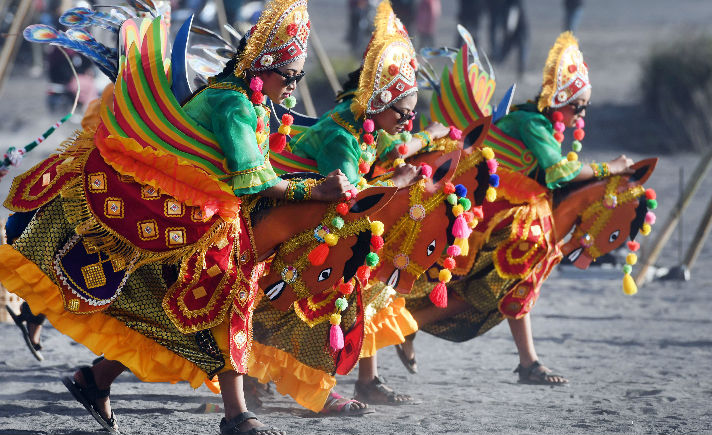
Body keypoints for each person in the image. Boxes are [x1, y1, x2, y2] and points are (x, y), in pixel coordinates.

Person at [0, 1, 355, 434]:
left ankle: (95, 379)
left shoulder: (254, 102)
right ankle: (236, 415)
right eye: (292, 75)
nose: (295, 87)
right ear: (263, 67)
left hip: (208, 222)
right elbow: (251, 178)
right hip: (181, 222)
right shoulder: (234, 104)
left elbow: (259, 170)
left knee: (177, 316)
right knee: (224, 307)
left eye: (300, 76)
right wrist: (312, 189)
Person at [248, 0, 453, 413]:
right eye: (405, 114)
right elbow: (350, 197)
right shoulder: (344, 132)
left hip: (317, 222)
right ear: (379, 102)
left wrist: (429, 138)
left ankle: (365, 379)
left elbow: (395, 147)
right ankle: (311, 389)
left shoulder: (367, 124)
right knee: (341, 284)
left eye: (412, 116)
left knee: (367, 277)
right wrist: (394, 181)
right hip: (292, 226)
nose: (408, 123)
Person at [397, 31, 635, 385]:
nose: (580, 116)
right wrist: (609, 169)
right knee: (491, 289)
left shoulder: (542, 126)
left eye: (584, 108)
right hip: (490, 218)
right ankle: (405, 326)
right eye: (578, 107)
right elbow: (560, 171)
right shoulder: (532, 123)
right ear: (561, 101)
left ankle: (527, 362)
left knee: (509, 283)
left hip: (511, 219)